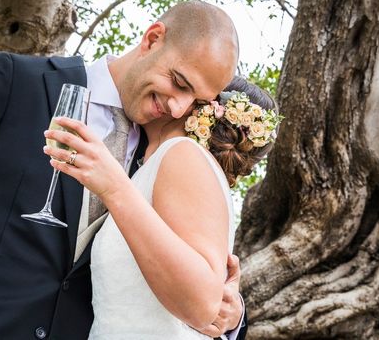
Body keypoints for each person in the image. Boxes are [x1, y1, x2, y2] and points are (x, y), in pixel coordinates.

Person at [0, 1, 247, 340]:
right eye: (178, 82)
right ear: (152, 38)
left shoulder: (164, 159)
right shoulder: (19, 82)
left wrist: (230, 313)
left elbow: (180, 284)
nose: (179, 108)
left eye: (196, 100)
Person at [45, 77, 278, 338]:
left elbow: (201, 300)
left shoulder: (182, 155)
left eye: (184, 86)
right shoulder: (156, 164)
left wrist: (114, 189)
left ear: (201, 106)